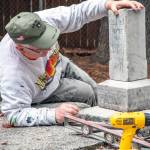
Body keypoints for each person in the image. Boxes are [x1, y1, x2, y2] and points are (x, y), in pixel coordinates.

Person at [0, 0, 144, 127]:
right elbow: (14, 114)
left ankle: (114, 122)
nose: (49, 49)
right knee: (85, 94)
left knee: (96, 90)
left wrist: (107, 4)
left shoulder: (40, 21)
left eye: (48, 40)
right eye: (40, 48)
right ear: (20, 47)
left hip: (59, 65)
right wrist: (53, 115)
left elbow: (78, 12)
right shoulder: (13, 73)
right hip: (43, 89)